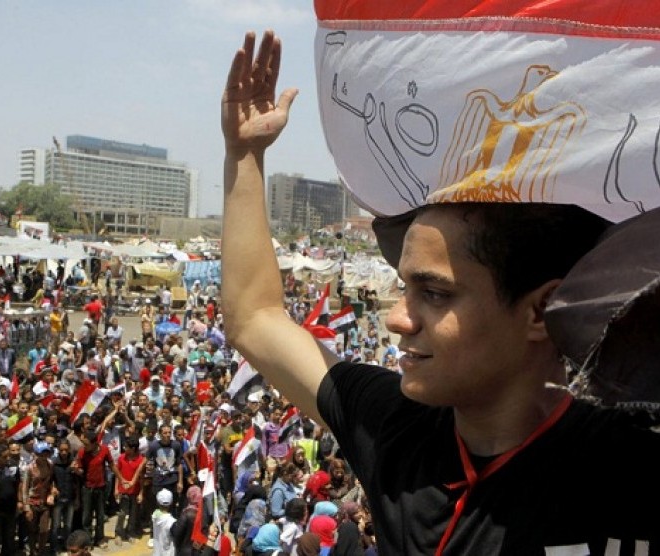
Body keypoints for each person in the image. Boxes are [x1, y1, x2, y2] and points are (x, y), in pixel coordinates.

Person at [220, 29, 660, 553]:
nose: (397, 319)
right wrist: (244, 156)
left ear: (541, 309)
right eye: (404, 287)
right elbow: (256, 317)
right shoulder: (396, 432)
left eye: (435, 293)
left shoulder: (634, 461)